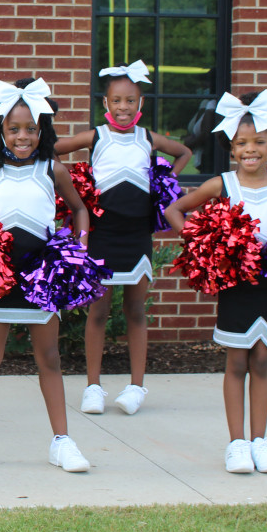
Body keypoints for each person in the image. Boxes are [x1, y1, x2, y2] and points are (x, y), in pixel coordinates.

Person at [163, 90, 267, 475]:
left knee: (262, 361)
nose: (250, 149)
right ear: (231, 148)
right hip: (236, 286)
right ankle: (236, 444)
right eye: (241, 143)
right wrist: (202, 242)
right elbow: (175, 209)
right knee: (236, 360)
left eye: (259, 142)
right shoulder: (221, 184)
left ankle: (261, 442)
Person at [0, 78, 93, 473]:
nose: (22, 136)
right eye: (13, 128)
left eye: (30, 128)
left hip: (41, 275)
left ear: (41, 130)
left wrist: (77, 247)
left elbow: (79, 210)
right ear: (0, 130)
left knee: (49, 357)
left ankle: (62, 442)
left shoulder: (52, 168)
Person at [53, 60, 191, 416]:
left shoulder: (148, 139)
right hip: (103, 234)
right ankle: (93, 387)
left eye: (130, 101)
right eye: (117, 100)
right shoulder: (95, 136)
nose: (123, 107)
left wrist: (164, 181)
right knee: (97, 310)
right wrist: (69, 185)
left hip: (136, 235)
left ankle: (136, 386)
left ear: (140, 104)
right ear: (105, 103)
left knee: (136, 310)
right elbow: (53, 150)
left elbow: (183, 152)